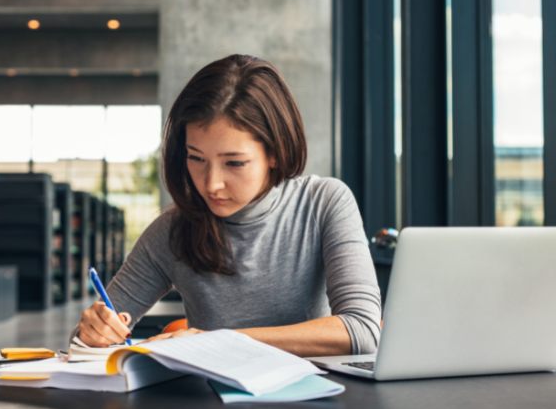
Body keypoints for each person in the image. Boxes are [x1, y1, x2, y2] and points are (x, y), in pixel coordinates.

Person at [77, 54, 381, 357]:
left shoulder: (323, 203)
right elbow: (81, 345)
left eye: (234, 162)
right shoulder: (172, 230)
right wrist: (92, 333)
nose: (211, 184)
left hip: (315, 398)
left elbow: (362, 331)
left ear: (275, 153)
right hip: (212, 402)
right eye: (196, 158)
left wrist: (214, 341)